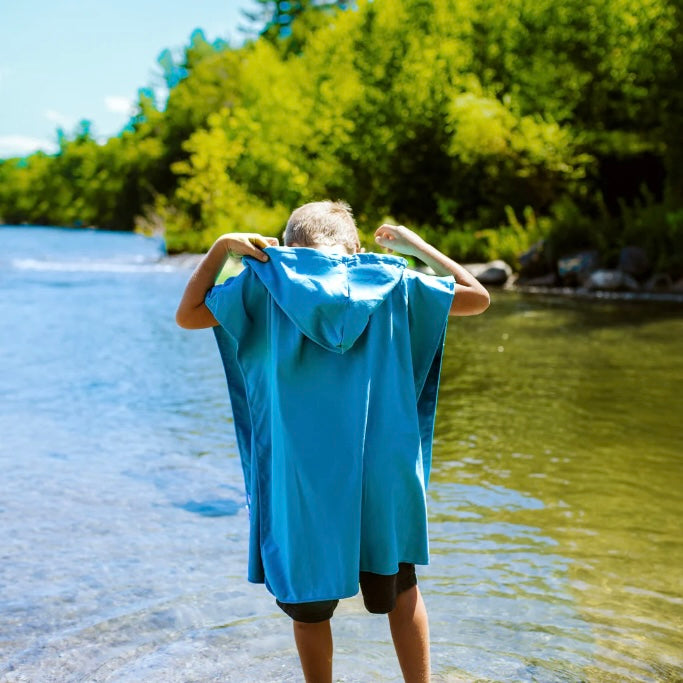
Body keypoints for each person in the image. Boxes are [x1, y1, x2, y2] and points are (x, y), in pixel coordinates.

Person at [176, 201, 489, 683]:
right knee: (401, 587)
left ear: (287, 245)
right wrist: (414, 246)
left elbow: (189, 314)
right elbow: (477, 297)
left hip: (301, 478)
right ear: (355, 247)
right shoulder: (397, 283)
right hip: (380, 472)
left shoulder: (263, 283)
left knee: (309, 604)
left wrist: (222, 249)